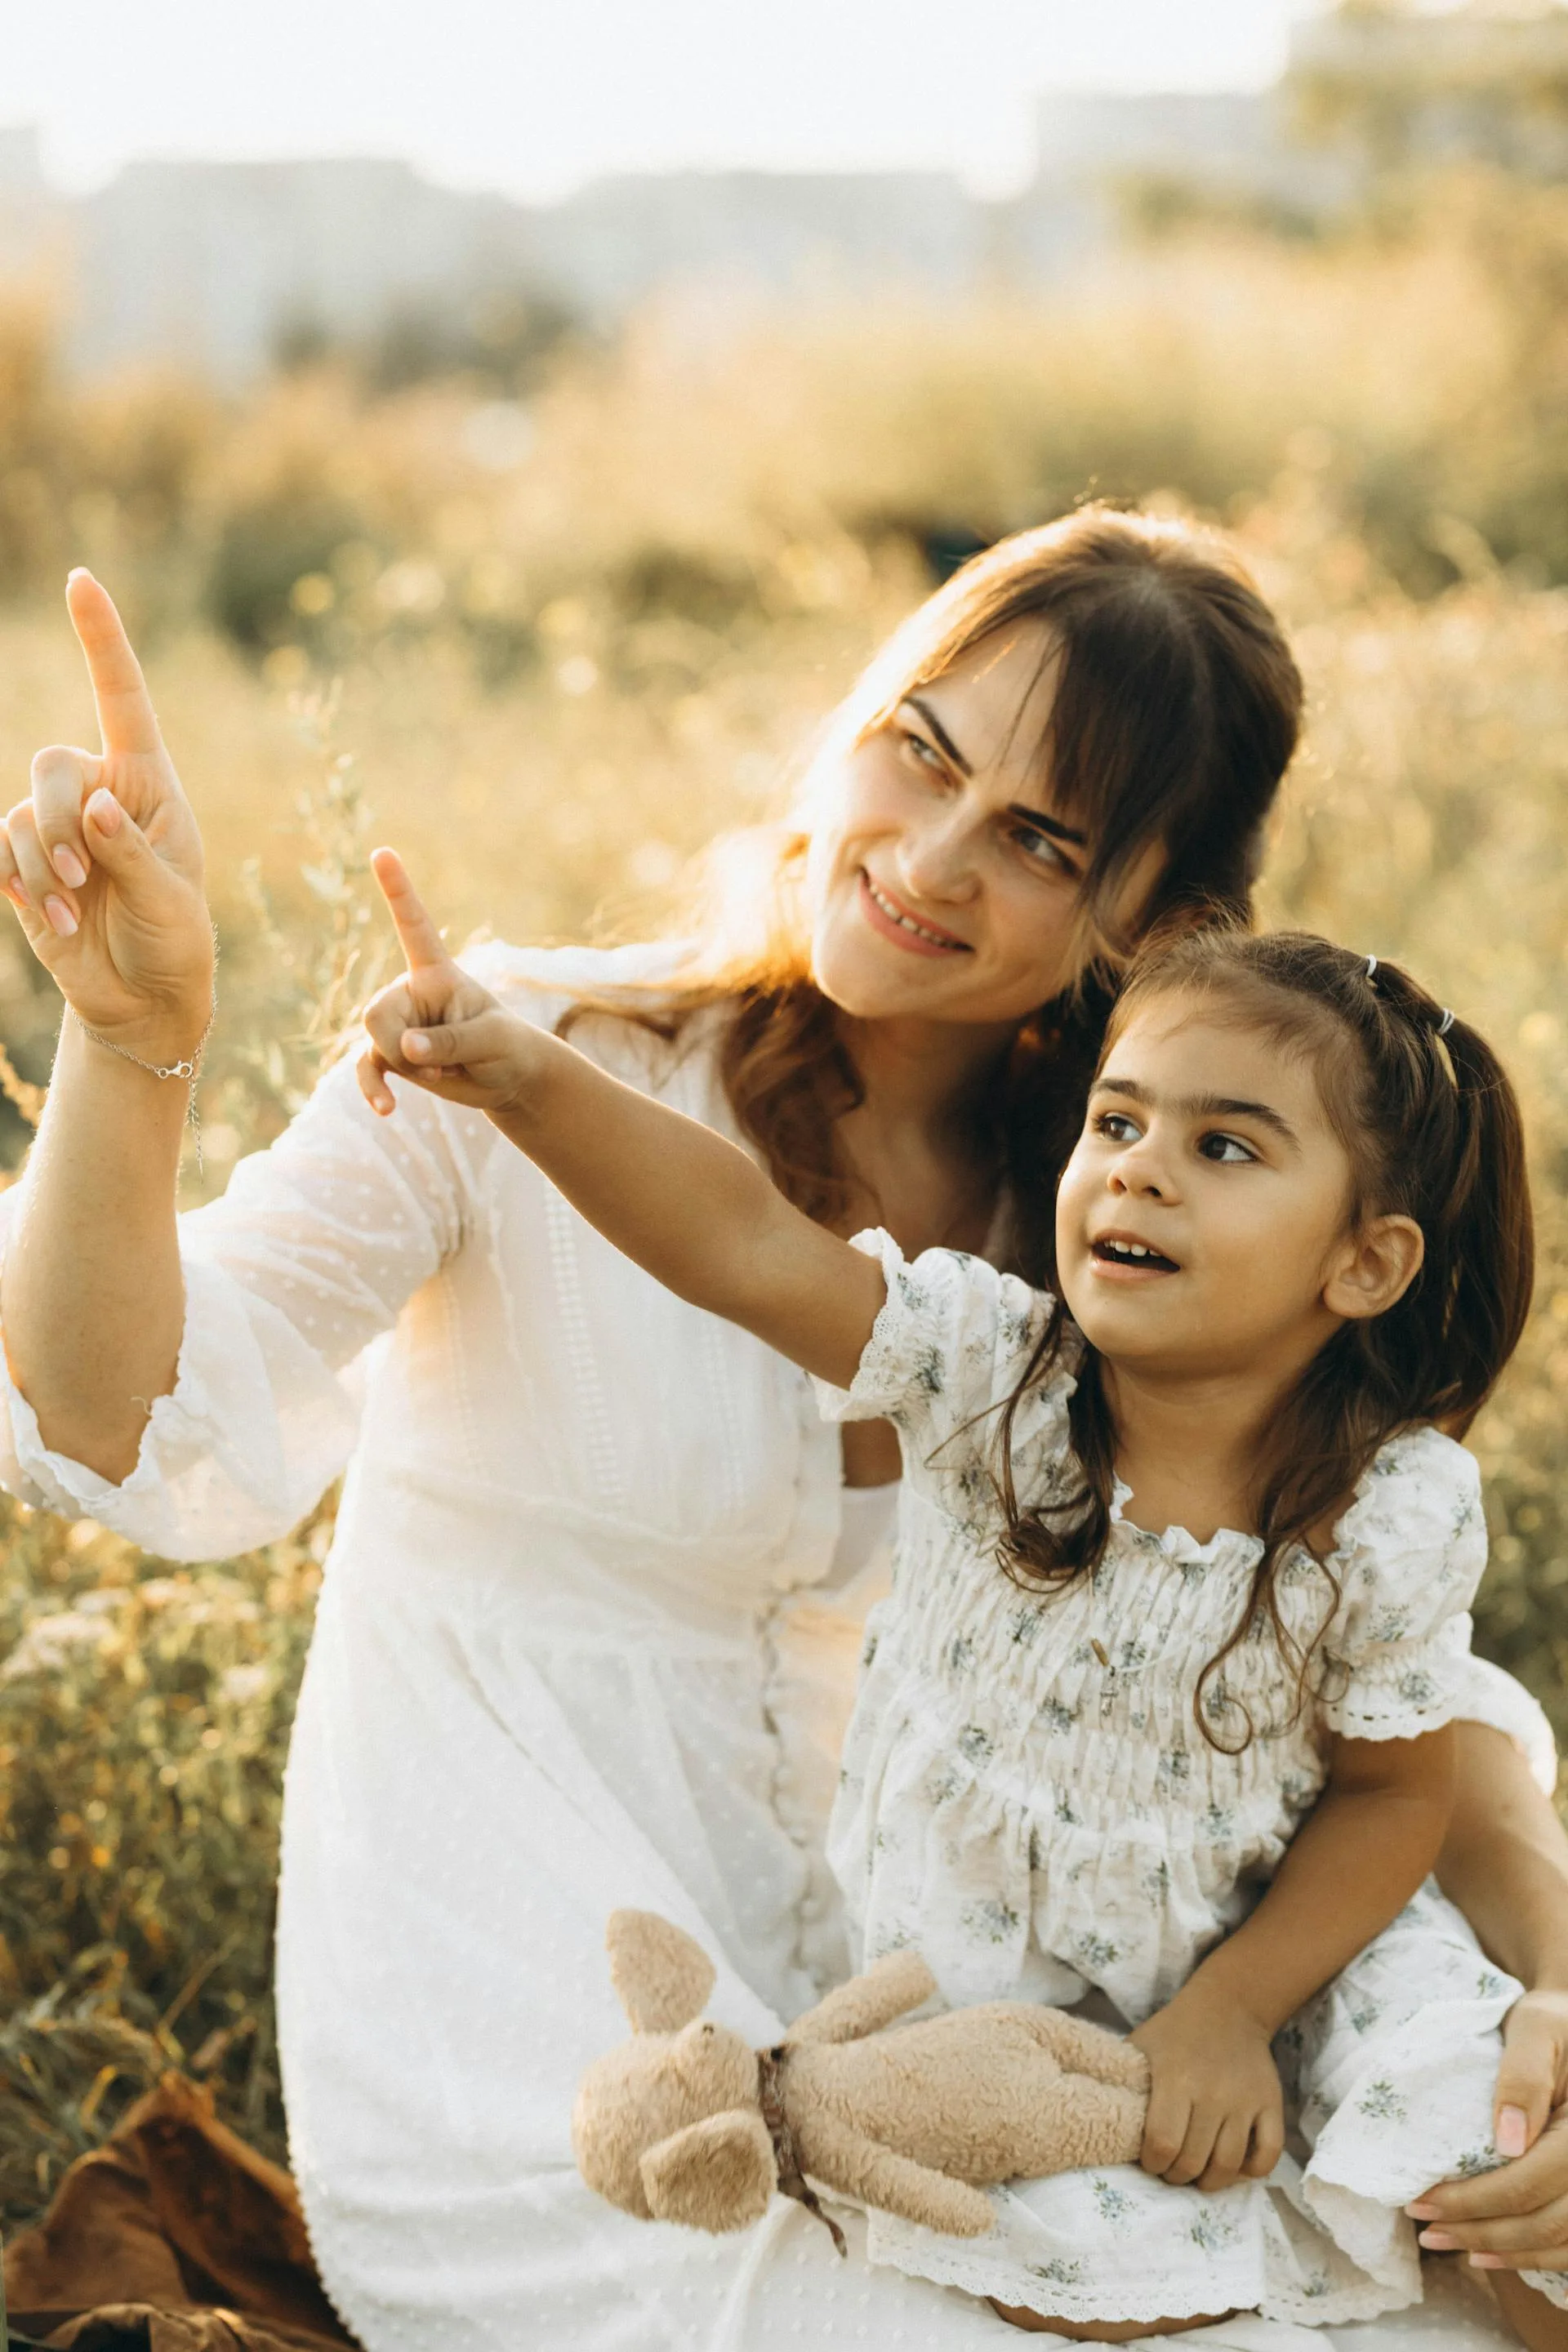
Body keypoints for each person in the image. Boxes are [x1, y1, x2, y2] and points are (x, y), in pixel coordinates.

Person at [0, 519, 1563, 2352]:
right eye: (922, 750)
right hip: (555, 2041)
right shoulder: (525, 1060)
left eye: (1039, 842)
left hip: (936, 2017)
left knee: (1443, 2302)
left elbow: (1370, 1691)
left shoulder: (1130, 1235)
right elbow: (118, 1418)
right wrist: (131, 1038)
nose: (931, 857)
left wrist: (1555, 1985)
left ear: (1158, 922)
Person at [352, 885, 1549, 2336]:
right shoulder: (985, 1373)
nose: (1140, 1173)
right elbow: (741, 1239)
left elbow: (1393, 1794)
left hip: (1301, 1946)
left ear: (1366, 1262)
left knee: (1507, 2173)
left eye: (1223, 1146)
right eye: (1118, 1121)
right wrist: (525, 1080)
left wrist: (1240, 2008)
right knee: (1054, 2278)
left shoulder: (1389, 1507)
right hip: (1009, 2008)